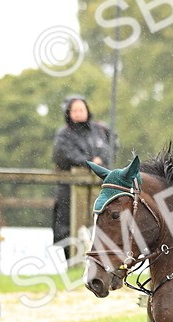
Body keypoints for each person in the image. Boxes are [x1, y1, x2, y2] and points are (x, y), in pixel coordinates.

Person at [51, 95, 115, 261]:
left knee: (100, 223)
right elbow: (63, 154)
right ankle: (72, 261)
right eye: (75, 110)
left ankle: (98, 261)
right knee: (66, 226)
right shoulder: (64, 134)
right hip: (70, 189)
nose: (79, 113)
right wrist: (88, 162)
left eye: (82, 109)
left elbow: (110, 147)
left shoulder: (100, 130)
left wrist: (100, 159)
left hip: (98, 186)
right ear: (69, 112)